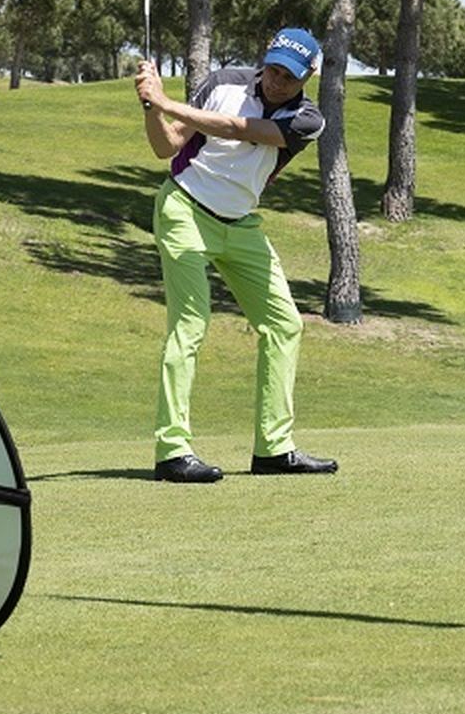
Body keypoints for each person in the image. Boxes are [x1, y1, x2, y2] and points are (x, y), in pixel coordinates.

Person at [135, 28, 339, 483]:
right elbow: (166, 146)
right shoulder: (223, 82)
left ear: (308, 76)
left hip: (241, 224)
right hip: (184, 209)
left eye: (289, 76)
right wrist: (152, 108)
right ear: (265, 58)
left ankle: (274, 449)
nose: (277, 81)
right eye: (273, 69)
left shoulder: (307, 119)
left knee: (285, 324)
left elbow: (239, 129)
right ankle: (172, 451)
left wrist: (167, 101)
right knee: (190, 324)